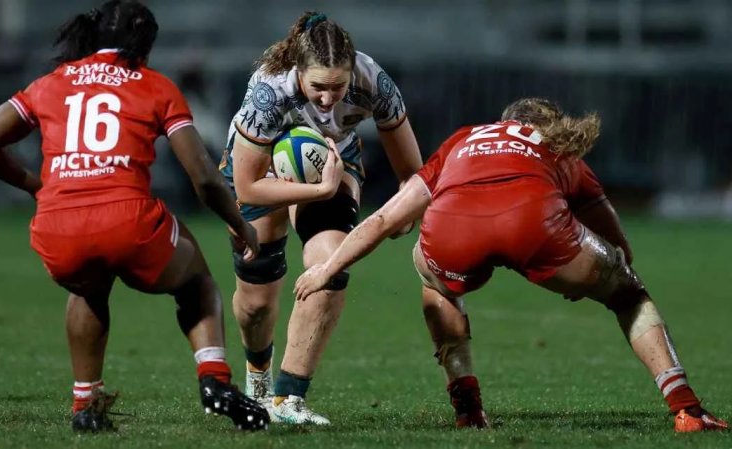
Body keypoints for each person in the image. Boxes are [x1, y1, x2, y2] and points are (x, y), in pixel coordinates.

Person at [294, 98, 728, 432]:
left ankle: (468, 409)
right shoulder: (554, 145)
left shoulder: (462, 139)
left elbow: (386, 218)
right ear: (545, 124)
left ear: (504, 120)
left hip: (453, 233)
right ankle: (686, 408)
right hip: (534, 225)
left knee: (433, 280)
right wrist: (614, 269)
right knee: (629, 295)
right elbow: (604, 218)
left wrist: (327, 268)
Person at [0, 0, 268, 432]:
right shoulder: (155, 85)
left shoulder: (50, 83)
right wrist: (240, 224)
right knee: (197, 281)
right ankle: (215, 381)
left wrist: (36, 187)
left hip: (57, 226)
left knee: (89, 289)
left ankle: (86, 405)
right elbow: (203, 177)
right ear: (145, 45)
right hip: (127, 220)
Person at [219, 11, 422, 424]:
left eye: (337, 87)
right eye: (318, 88)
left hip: (332, 160)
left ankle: (288, 400)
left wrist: (408, 209)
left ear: (351, 74)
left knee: (331, 264)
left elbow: (411, 173)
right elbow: (248, 187)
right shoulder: (269, 93)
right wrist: (319, 190)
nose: (328, 100)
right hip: (263, 168)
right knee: (257, 300)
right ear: (298, 72)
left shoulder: (374, 83)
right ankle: (257, 377)